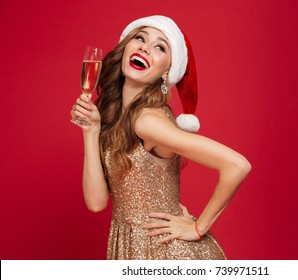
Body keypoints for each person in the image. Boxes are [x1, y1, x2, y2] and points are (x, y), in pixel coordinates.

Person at [70, 15, 251, 260]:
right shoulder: (116, 117)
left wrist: (199, 228)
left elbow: (237, 165)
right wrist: (91, 131)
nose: (145, 47)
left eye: (160, 47)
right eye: (139, 38)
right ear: (125, 49)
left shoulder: (148, 122)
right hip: (130, 247)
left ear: (167, 71)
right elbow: (96, 202)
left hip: (164, 252)